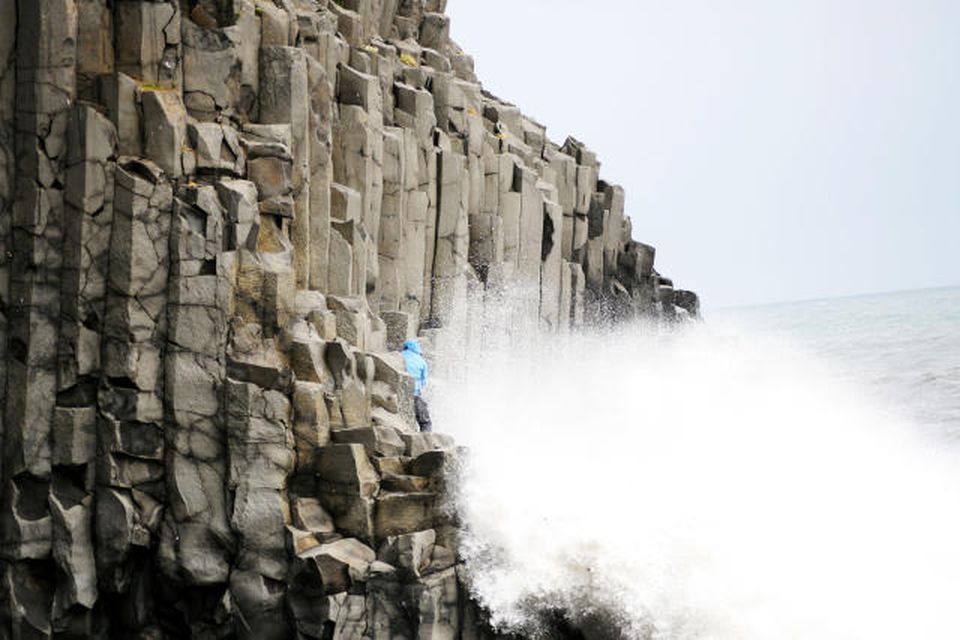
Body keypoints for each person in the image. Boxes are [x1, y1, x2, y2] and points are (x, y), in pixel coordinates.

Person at [402, 339, 432, 432]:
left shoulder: (399, 356)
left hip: (400, 394)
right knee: (425, 422)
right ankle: (425, 440)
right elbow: (423, 381)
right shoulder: (422, 361)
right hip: (414, 395)